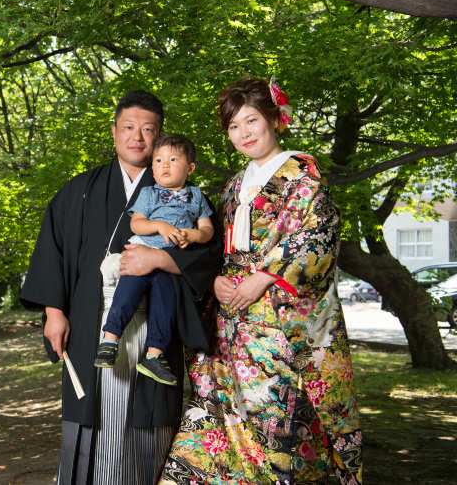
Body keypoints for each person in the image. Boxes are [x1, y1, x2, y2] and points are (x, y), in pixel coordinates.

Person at [159, 77, 363, 485]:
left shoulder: (302, 174)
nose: (243, 133)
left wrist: (266, 276)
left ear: (275, 118)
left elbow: (318, 234)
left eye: (251, 121)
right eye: (234, 126)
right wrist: (213, 279)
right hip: (230, 329)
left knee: (277, 432)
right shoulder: (235, 185)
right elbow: (212, 245)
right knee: (213, 426)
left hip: (278, 329)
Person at [20, 91, 223, 485]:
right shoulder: (78, 191)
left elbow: (209, 254)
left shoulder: (188, 197)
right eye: (128, 128)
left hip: (155, 326)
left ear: (161, 136)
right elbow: (53, 251)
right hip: (90, 323)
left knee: (147, 423)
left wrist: (162, 260)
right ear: (114, 132)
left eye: (148, 130)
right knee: (88, 418)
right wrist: (54, 313)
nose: (138, 138)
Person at [95, 135, 215, 386]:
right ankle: (109, 339)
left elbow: (207, 231)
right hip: (143, 250)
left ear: (190, 168)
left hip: (171, 261)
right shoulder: (149, 193)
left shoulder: (196, 195)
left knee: (166, 303)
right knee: (126, 293)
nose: (165, 165)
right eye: (159, 160)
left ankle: (154, 354)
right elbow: (136, 222)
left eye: (173, 159)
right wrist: (159, 225)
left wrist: (193, 234)